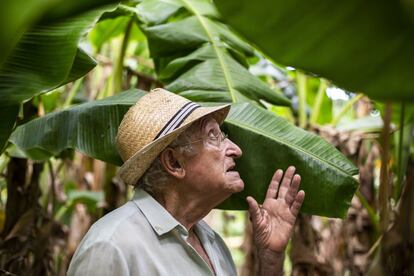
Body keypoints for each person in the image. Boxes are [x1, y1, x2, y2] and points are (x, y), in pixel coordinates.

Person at [67, 88, 305, 276]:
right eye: (214, 136)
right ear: (174, 162)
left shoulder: (213, 244)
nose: (236, 149)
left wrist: (270, 261)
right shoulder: (111, 247)